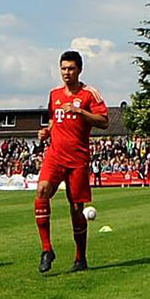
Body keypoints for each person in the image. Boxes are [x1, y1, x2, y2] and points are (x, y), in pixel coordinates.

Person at [34, 50, 108, 273]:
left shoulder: (89, 94)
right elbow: (53, 118)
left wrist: (80, 111)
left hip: (77, 159)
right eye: (63, 68)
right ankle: (47, 249)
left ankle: (80, 258)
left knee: (76, 209)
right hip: (55, 155)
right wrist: (47, 130)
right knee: (41, 191)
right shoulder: (54, 94)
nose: (67, 73)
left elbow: (104, 121)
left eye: (71, 68)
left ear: (79, 70)